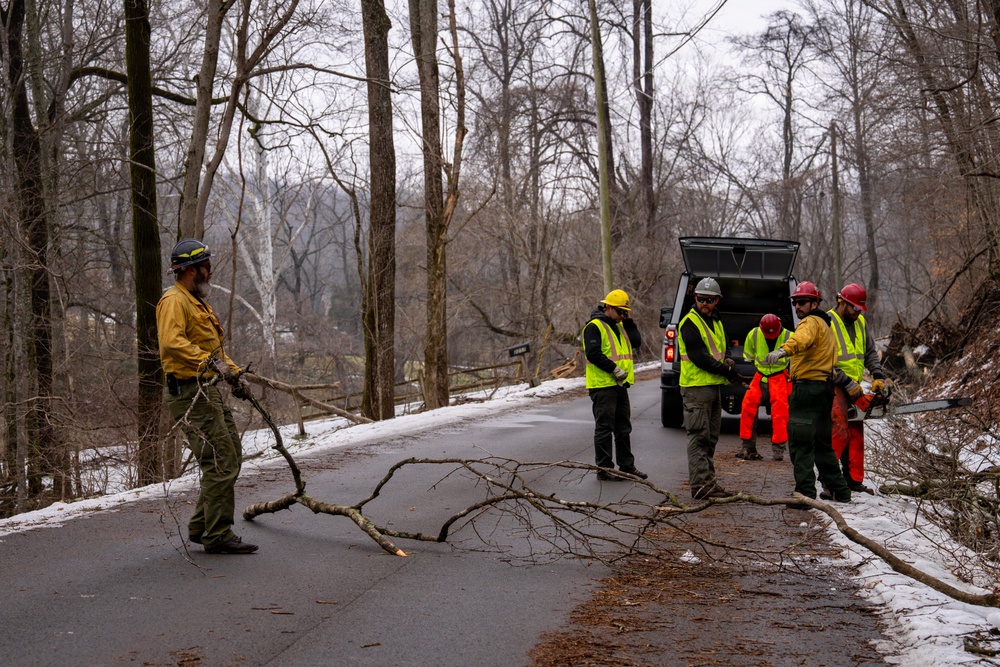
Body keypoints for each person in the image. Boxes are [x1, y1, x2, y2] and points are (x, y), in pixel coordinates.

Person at [157, 238, 258, 554]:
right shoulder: (174, 301)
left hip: (206, 390)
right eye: (206, 266)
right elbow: (172, 344)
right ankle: (217, 533)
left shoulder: (194, 300)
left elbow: (213, 351)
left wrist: (235, 375)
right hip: (189, 393)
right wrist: (211, 364)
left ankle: (202, 526)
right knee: (220, 461)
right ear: (191, 270)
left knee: (231, 456)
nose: (210, 271)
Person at [763, 282, 852, 503]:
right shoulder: (826, 325)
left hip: (808, 390)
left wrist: (783, 350)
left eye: (802, 302)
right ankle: (840, 491)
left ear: (815, 303)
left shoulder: (810, 323)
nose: (797, 307)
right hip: (823, 390)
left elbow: (800, 340)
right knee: (823, 445)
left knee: (800, 442)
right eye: (795, 302)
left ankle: (804, 495)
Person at [678, 278, 748, 499]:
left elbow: (724, 345)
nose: (705, 303)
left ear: (717, 300)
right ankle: (700, 486)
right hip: (696, 388)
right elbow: (699, 357)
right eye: (700, 299)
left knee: (710, 438)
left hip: (712, 387)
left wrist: (727, 359)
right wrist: (727, 372)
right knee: (699, 437)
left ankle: (709, 482)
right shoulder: (689, 323)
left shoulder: (716, 321)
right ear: (695, 298)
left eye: (709, 300)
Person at [582, 289, 647, 481]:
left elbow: (636, 342)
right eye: (620, 312)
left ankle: (627, 467)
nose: (622, 316)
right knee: (604, 428)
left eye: (625, 312)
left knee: (623, 428)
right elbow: (593, 353)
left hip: (620, 385)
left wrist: (629, 321)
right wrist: (614, 369)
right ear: (608, 307)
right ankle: (605, 468)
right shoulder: (594, 326)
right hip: (603, 386)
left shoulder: (619, 326)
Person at [828, 283, 885, 494]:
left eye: (860, 309)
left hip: (854, 384)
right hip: (834, 383)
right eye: (854, 308)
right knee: (839, 431)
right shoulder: (828, 322)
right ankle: (829, 479)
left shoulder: (860, 321)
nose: (857, 312)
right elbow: (823, 362)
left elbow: (870, 351)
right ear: (841, 302)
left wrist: (878, 376)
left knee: (856, 431)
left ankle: (853, 479)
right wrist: (846, 382)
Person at [738, 314, 791, 462]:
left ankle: (778, 450)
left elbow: (796, 361)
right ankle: (747, 446)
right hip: (759, 376)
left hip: (779, 377)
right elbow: (748, 358)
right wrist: (747, 377)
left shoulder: (789, 336)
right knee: (747, 408)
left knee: (780, 412)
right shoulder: (754, 334)